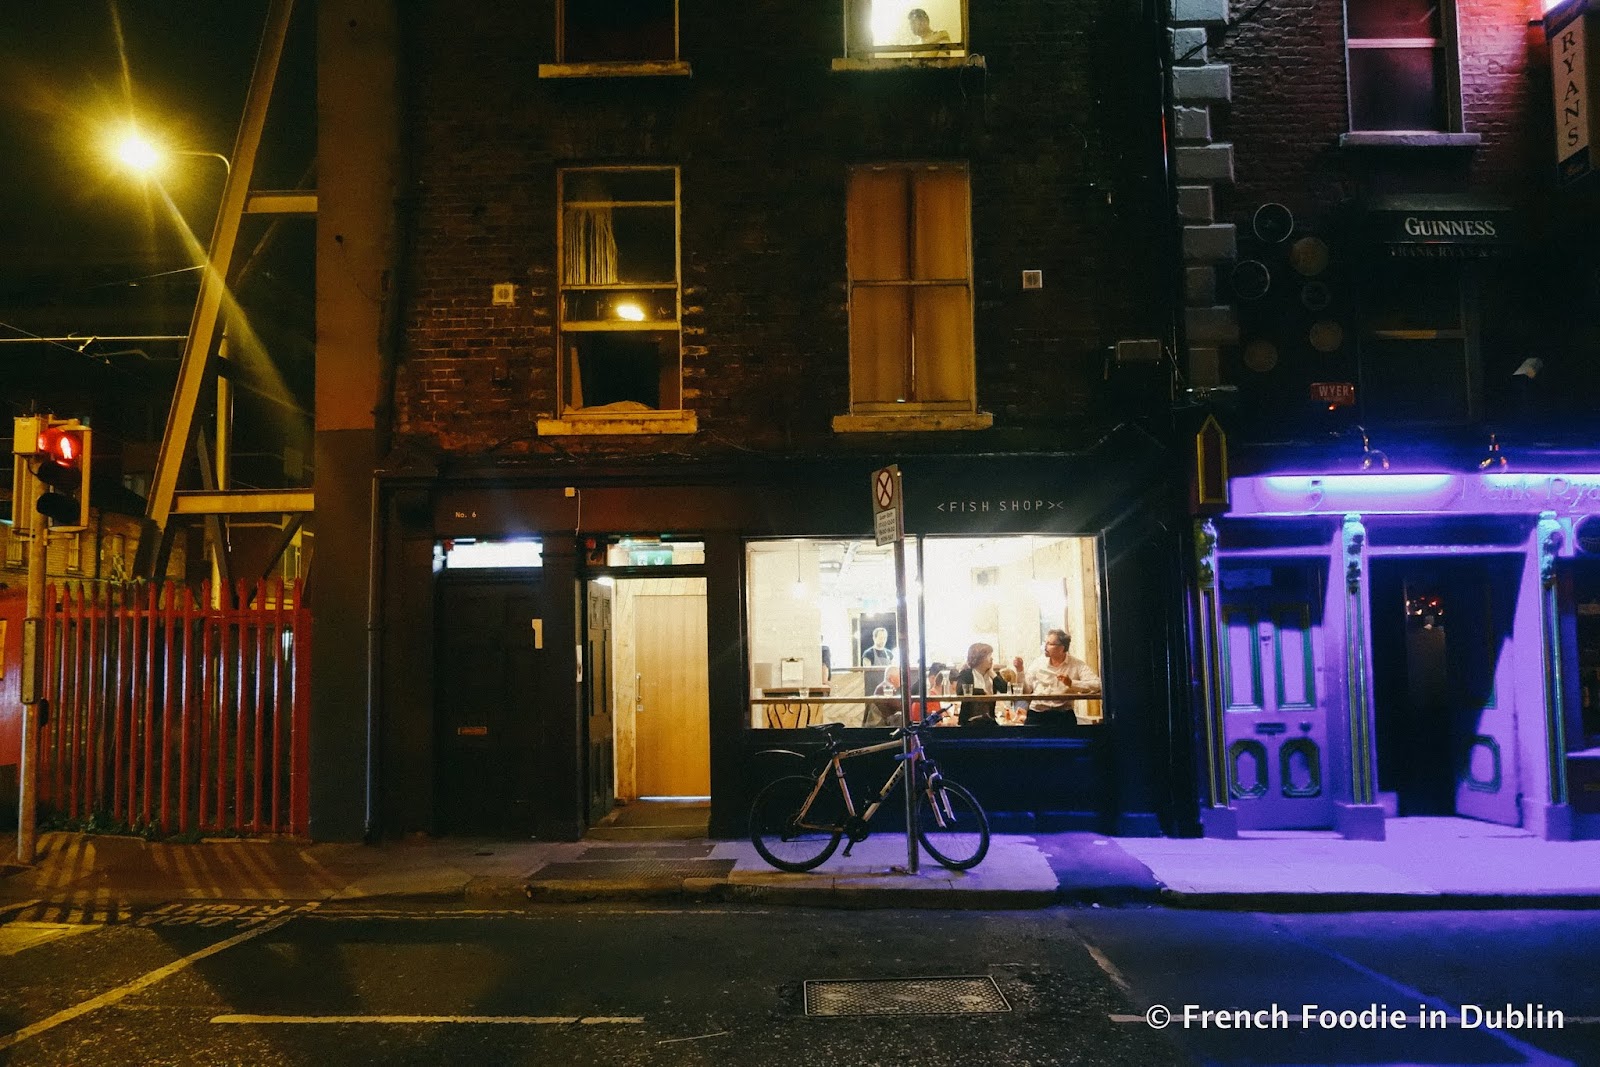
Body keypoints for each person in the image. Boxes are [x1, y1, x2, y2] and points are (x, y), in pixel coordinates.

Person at [1013, 629, 1101, 727]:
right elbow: (1026, 690)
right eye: (1045, 643)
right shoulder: (1038, 663)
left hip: (1063, 715)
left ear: (1062, 648)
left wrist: (1071, 683)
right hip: (1037, 714)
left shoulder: (1076, 665)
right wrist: (1020, 671)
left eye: (1050, 644)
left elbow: (1097, 684)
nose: (1045, 647)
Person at [953, 642, 1008, 727]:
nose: (992, 659)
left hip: (990, 722)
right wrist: (982, 692)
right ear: (980, 658)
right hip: (969, 723)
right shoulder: (966, 674)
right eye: (989, 656)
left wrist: (993, 674)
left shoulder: (994, 675)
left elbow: (1005, 690)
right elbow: (960, 691)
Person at [861, 625, 896, 694]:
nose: (883, 640)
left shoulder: (889, 654)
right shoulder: (868, 654)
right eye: (880, 638)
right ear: (874, 638)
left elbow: (893, 670)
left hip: (887, 687)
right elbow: (867, 674)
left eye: (884, 638)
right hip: (872, 687)